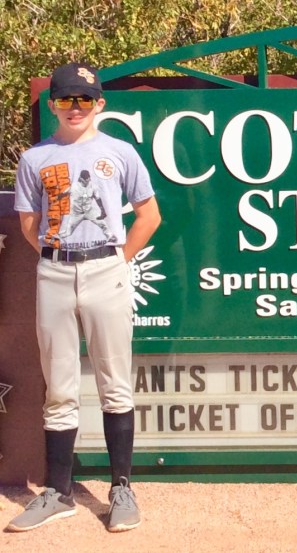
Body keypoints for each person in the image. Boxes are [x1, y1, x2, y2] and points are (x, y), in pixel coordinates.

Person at [6, 62, 161, 533]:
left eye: (84, 99)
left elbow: (149, 215)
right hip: (55, 270)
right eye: (65, 99)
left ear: (99, 104)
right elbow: (30, 223)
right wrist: (59, 256)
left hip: (106, 268)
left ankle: (121, 488)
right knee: (60, 388)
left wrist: (119, 260)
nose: (75, 108)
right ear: (52, 104)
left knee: (115, 384)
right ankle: (59, 492)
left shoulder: (119, 153)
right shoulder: (35, 158)